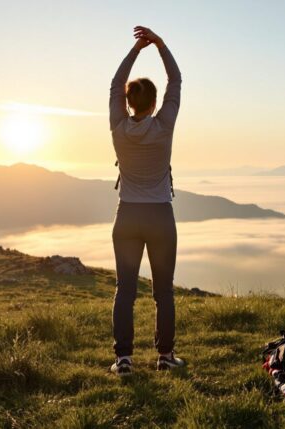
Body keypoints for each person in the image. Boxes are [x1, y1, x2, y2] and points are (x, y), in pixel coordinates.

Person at [108, 26, 183, 376]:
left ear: (127, 102)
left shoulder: (119, 127)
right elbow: (176, 80)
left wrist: (136, 50)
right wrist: (159, 45)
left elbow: (114, 84)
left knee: (125, 291)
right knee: (162, 291)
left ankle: (123, 359)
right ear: (154, 104)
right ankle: (165, 356)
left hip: (126, 217)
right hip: (159, 217)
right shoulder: (163, 125)